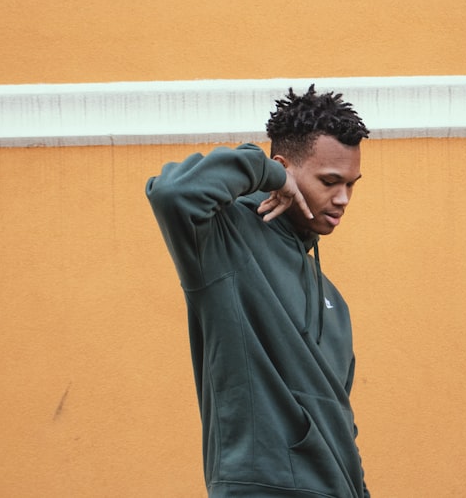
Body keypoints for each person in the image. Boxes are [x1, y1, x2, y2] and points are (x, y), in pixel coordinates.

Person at [146, 85, 371, 498]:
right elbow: (172, 193)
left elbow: (343, 424)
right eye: (330, 181)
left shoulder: (334, 302)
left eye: (351, 185)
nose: (342, 199)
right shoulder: (224, 240)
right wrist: (265, 172)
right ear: (285, 167)